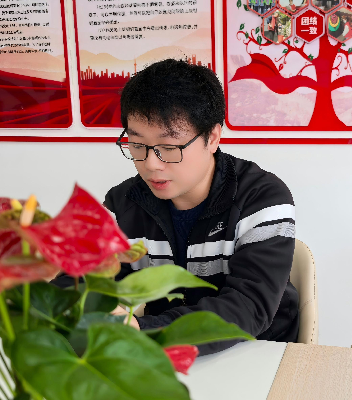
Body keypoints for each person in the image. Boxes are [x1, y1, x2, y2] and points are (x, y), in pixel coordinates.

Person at [54, 59, 300, 356]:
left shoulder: (262, 197)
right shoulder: (123, 204)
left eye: (169, 148)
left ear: (212, 137)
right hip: (164, 353)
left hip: (259, 352)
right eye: (137, 145)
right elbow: (74, 281)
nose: (151, 164)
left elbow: (249, 306)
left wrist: (144, 330)